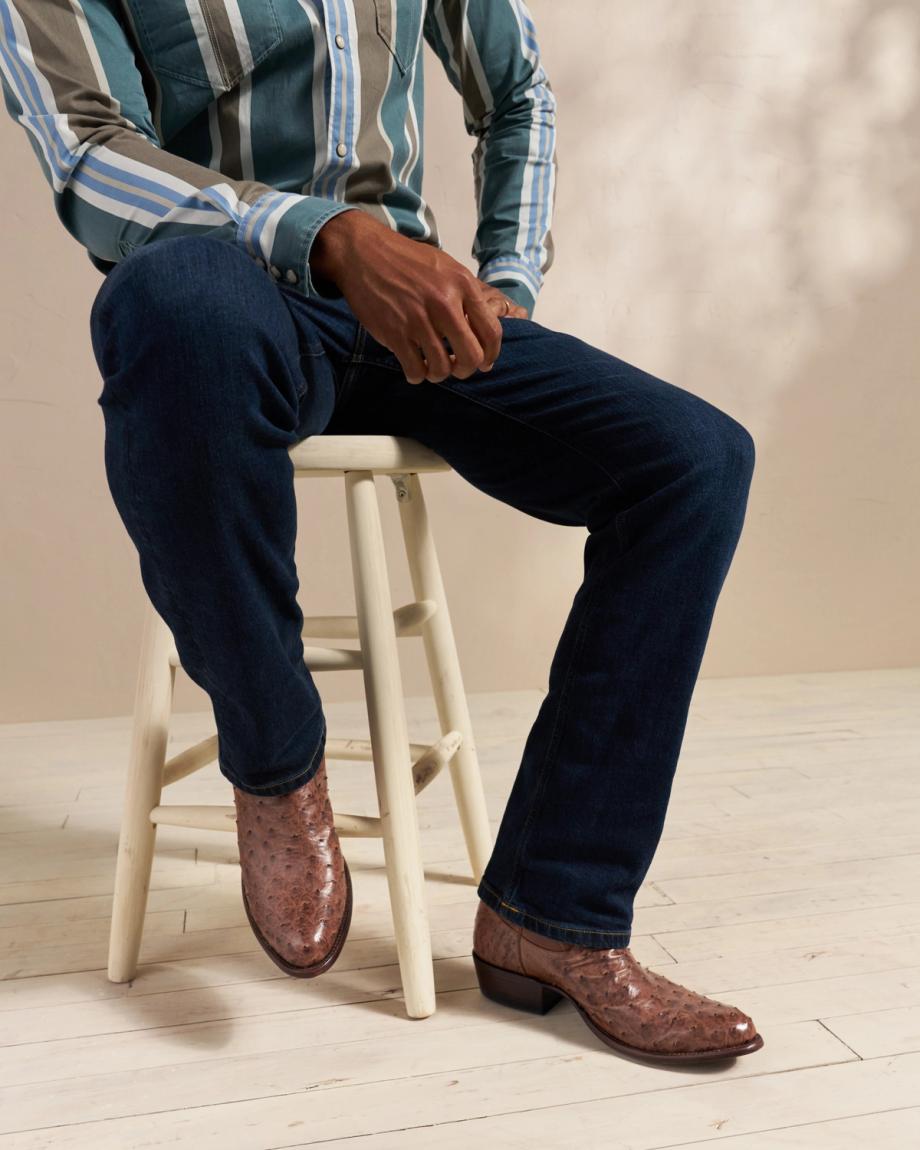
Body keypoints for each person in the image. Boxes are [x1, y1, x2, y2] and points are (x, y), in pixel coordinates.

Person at [0, 0, 762, 1064]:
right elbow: (87, 155)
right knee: (168, 305)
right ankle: (274, 760)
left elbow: (517, 94)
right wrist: (328, 236)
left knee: (694, 461)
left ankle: (552, 915)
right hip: (227, 297)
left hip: (410, 310)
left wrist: (507, 281)